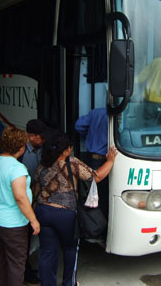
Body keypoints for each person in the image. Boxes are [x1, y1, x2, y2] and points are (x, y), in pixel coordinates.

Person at [33, 133, 117, 286]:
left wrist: (34, 214)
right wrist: (110, 161)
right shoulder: (71, 163)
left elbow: (36, 190)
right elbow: (96, 176)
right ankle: (69, 283)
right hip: (65, 215)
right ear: (66, 150)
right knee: (70, 249)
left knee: (47, 252)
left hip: (43, 211)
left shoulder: (42, 164)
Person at [0, 126, 40, 286]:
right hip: (13, 224)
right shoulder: (17, 168)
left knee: (1, 258)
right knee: (17, 263)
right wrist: (33, 220)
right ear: (21, 148)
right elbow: (21, 198)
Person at [21, 119, 53, 285]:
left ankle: (25, 267)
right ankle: (24, 271)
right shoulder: (20, 153)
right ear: (31, 136)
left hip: (37, 198)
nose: (43, 141)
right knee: (23, 238)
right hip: (23, 201)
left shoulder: (40, 150)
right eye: (41, 138)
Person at [75, 108, 109, 218]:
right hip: (111, 159)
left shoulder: (97, 112)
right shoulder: (122, 113)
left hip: (94, 159)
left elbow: (78, 126)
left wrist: (91, 136)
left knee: (93, 195)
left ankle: (96, 225)